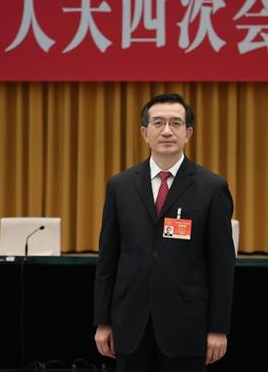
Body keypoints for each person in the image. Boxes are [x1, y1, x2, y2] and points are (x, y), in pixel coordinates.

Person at [94, 93, 236, 372]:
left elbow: (222, 265)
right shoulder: (120, 186)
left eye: (176, 123)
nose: (167, 131)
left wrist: (218, 328)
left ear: (188, 133)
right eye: (158, 123)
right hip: (129, 323)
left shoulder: (212, 188)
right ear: (144, 133)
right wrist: (103, 321)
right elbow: (107, 260)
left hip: (187, 325)